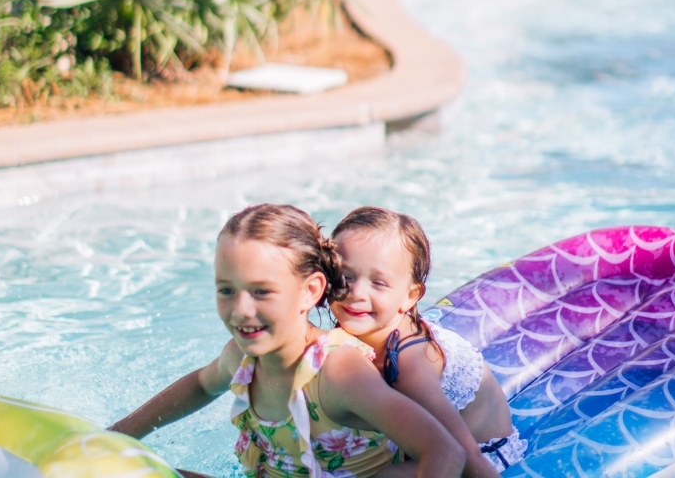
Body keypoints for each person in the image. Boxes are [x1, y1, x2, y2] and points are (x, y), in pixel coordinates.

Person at [109, 203, 466, 478]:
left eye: (262, 292)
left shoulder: (337, 370)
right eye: (226, 290)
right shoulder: (241, 358)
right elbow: (201, 385)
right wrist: (118, 434)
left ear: (310, 291)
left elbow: (445, 451)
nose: (241, 310)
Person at [329, 207, 527, 478]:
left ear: (410, 296)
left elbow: (463, 453)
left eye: (378, 283)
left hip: (482, 456)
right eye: (345, 276)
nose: (356, 292)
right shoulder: (356, 334)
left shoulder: (409, 366)